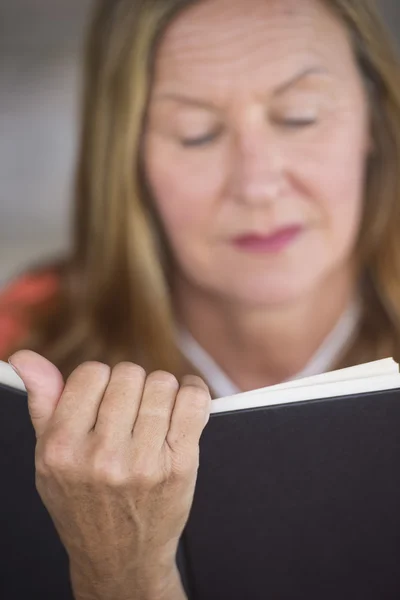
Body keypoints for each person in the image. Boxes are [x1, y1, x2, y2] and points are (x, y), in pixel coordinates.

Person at [2, 0, 400, 597]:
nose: (258, 184)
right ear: (128, 160)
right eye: (198, 133)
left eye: (300, 116)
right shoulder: (24, 334)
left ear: (376, 122)